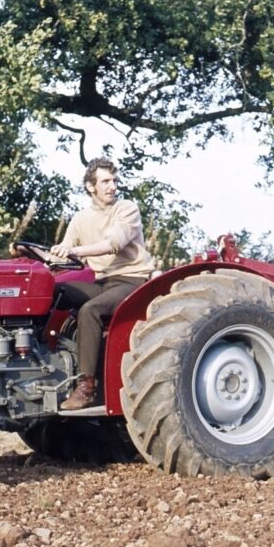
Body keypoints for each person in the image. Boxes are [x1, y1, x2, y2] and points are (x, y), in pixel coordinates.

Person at [50, 157, 156, 410]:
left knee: (91, 310)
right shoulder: (80, 218)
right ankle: (45, 360)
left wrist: (75, 251)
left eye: (114, 181)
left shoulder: (127, 209)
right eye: (106, 181)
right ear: (90, 186)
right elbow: (65, 249)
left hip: (132, 282)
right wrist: (52, 253)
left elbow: (112, 244)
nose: (112, 186)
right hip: (103, 282)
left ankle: (88, 387)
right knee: (54, 292)